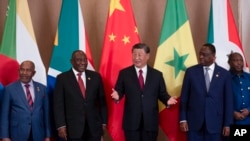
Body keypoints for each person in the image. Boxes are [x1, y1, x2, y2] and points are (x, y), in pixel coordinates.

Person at [111, 43, 177, 141]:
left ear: (147, 56)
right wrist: (117, 97)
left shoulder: (157, 75)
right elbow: (119, 91)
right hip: (131, 123)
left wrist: (167, 100)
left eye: (140, 55)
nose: (136, 57)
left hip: (150, 123)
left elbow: (162, 93)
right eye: (134, 54)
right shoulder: (124, 74)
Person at [179, 43, 234, 141]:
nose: (200, 57)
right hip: (194, 122)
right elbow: (184, 98)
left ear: (213, 57)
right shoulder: (191, 72)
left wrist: (227, 124)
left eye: (204, 54)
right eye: (200, 54)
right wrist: (183, 119)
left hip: (215, 123)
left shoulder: (224, 74)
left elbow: (228, 102)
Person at [53, 50, 107, 141]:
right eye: (78, 60)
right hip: (73, 128)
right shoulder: (62, 78)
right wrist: (61, 126)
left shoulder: (95, 77)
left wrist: (104, 122)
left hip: (94, 127)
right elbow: (58, 105)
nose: (82, 63)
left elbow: (102, 102)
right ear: (72, 62)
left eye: (84, 60)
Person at [0, 60, 51, 141]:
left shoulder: (42, 89)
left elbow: (46, 114)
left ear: (33, 73)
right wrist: (5, 136)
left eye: (28, 70)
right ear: (18, 71)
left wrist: (47, 135)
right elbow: (4, 115)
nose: (24, 72)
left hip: (38, 134)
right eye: (22, 69)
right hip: (17, 134)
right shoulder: (9, 89)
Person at [228, 52, 250, 125]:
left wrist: (248, 110)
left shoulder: (248, 77)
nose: (239, 63)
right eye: (235, 60)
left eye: (241, 60)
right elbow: (220, 100)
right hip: (232, 121)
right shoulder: (225, 78)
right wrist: (233, 112)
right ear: (229, 62)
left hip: (248, 118)